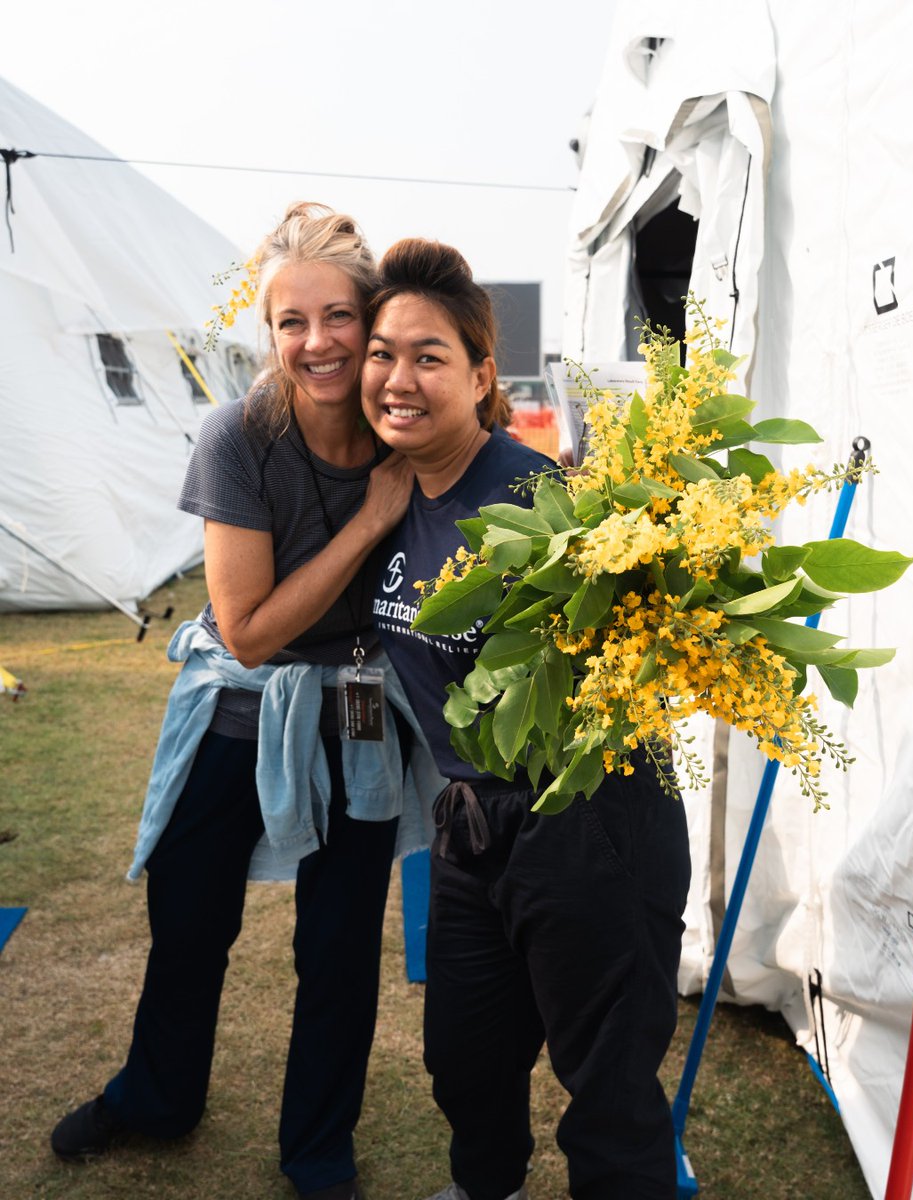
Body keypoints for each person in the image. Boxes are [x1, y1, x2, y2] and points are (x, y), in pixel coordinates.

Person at [49, 203, 441, 1200]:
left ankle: (317, 1147)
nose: (316, 343)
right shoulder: (240, 437)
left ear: (373, 318)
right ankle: (156, 1096)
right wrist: (371, 524)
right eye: (290, 322)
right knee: (189, 919)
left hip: (356, 697)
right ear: (267, 332)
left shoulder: (405, 429)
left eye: (339, 317)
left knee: (341, 943)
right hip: (240, 702)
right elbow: (250, 631)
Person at [362, 239, 692, 1200]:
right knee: (465, 1059)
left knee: (609, 1082)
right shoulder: (392, 497)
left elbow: (629, 648)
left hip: (588, 815)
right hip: (472, 823)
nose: (400, 377)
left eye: (429, 356)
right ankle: (485, 1187)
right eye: (385, 353)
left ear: (479, 374)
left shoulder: (537, 495)